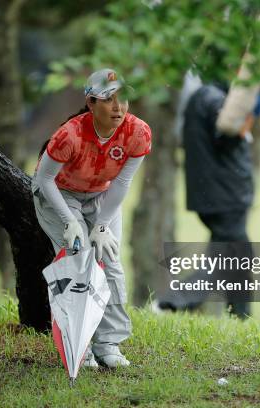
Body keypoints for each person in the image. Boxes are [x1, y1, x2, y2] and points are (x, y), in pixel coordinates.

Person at [32, 68, 151, 368]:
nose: (118, 107)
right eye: (109, 99)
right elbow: (45, 180)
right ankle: (78, 344)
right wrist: (69, 221)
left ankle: (108, 343)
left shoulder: (138, 133)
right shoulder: (68, 135)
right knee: (79, 259)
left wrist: (101, 225)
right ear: (90, 102)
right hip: (59, 194)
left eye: (122, 99)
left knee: (110, 261)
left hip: (101, 195)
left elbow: (122, 184)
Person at [156, 67, 260, 319]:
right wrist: (250, 115)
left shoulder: (202, 97)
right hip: (225, 196)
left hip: (215, 195)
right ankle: (172, 302)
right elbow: (227, 137)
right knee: (229, 261)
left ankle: (241, 318)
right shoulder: (214, 100)